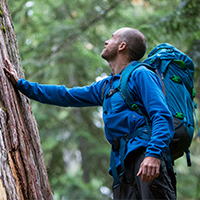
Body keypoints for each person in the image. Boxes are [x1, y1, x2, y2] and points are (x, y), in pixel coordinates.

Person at [4, 27, 176, 199]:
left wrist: (153, 154)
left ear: (122, 46)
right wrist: (21, 85)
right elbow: (66, 95)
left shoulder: (141, 74)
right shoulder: (106, 86)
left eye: (112, 38)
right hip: (121, 166)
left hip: (144, 157)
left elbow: (161, 115)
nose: (106, 41)